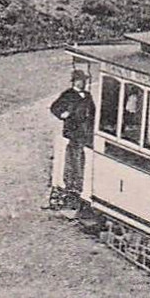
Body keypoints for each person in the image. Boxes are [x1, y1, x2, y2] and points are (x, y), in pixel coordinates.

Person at [48, 69, 95, 206]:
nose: (83, 83)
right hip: (73, 130)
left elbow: (92, 111)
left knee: (81, 157)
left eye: (84, 81)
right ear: (75, 81)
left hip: (85, 131)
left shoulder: (87, 95)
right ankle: (71, 184)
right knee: (73, 156)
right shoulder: (68, 95)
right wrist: (63, 115)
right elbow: (55, 108)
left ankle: (79, 184)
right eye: (80, 81)